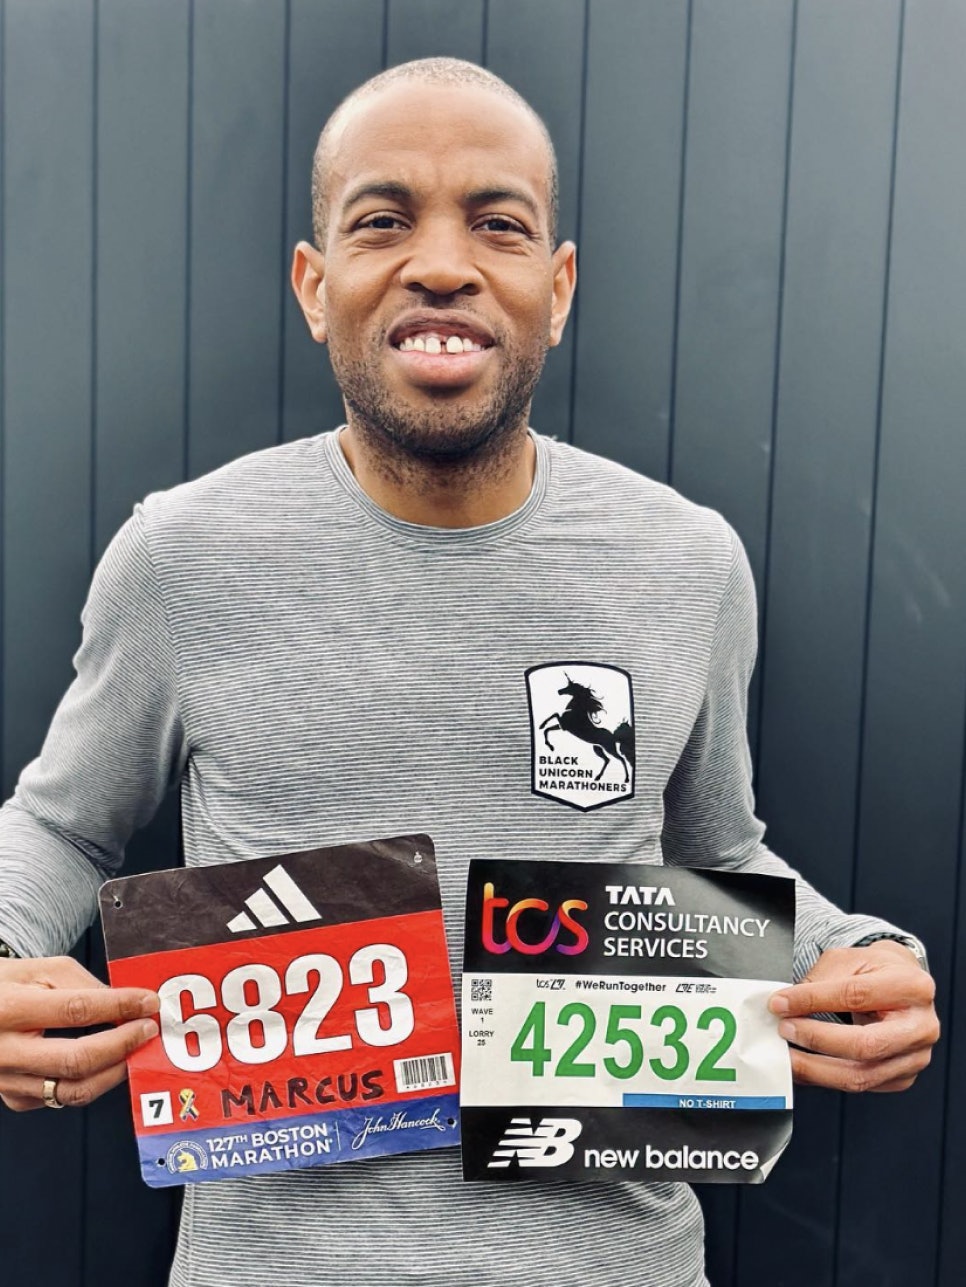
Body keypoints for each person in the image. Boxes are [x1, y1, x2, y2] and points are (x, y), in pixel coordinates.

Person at [0, 58, 939, 1287]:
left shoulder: (685, 560)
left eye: (498, 224)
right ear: (313, 284)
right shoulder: (181, 557)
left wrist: (856, 953)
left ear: (556, 290)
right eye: (381, 220)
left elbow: (715, 858)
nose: (441, 263)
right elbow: (61, 825)